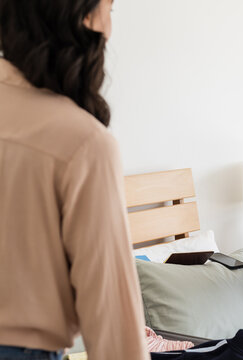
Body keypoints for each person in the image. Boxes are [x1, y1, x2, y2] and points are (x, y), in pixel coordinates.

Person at [0, 0, 150, 359]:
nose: (110, 28)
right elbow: (113, 321)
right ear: (83, 16)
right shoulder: (82, 143)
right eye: (109, 10)